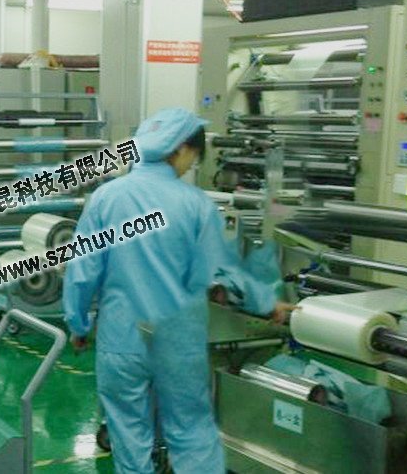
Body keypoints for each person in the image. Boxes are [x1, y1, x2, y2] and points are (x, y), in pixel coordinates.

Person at [63, 108, 294, 474]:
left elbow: (82, 271)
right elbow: (221, 273)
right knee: (190, 432)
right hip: (179, 343)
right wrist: (268, 304)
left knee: (129, 431)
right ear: (181, 149)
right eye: (194, 155)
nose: (192, 165)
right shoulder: (195, 204)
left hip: (122, 339)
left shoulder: (106, 198)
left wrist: (77, 324)